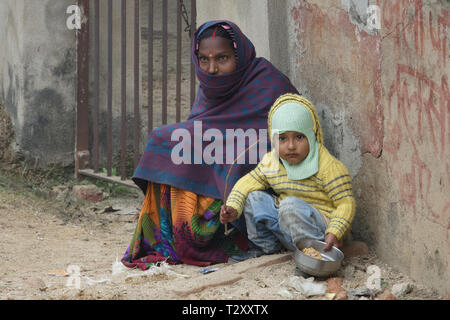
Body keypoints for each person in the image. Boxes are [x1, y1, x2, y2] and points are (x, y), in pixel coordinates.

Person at [121, 20, 298, 269]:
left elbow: (290, 135)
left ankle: (225, 237)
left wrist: (231, 146)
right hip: (220, 153)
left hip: (260, 171)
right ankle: (177, 238)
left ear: (240, 55)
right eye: (204, 60)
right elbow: (203, 128)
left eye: (222, 58)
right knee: (165, 141)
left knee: (204, 152)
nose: (212, 68)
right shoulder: (209, 88)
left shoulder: (268, 82)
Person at [220, 93, 356, 260]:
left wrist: (335, 231)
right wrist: (233, 206)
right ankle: (266, 249)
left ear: (312, 135)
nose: (291, 146)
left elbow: (346, 203)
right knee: (253, 196)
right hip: (287, 226)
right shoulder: (272, 162)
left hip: (320, 235)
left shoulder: (328, 166)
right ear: (273, 139)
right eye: (282, 138)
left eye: (299, 137)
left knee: (289, 205)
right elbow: (247, 182)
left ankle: (311, 257)